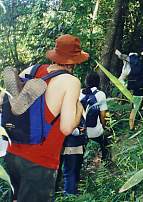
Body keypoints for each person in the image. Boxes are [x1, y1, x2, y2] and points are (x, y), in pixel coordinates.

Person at [4, 34, 88, 202]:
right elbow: (66, 128)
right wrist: (80, 109)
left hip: (12, 153)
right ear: (75, 60)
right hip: (40, 160)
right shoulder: (71, 82)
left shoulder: (32, 70)